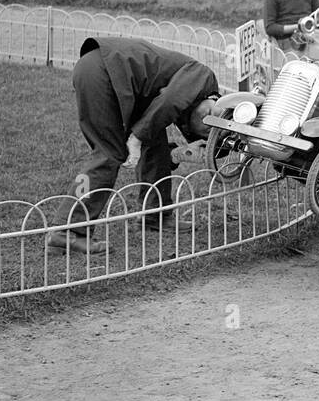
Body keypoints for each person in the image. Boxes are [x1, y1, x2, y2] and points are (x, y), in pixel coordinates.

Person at [50, 37, 220, 254]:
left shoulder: (193, 99)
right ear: (217, 98)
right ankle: (67, 231)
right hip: (103, 71)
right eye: (214, 112)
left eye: (209, 128)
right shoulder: (203, 77)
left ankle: (155, 216)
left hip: (109, 72)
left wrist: (174, 154)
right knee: (108, 154)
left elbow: (160, 114)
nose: (209, 118)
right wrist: (136, 137)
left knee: (155, 143)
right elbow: (169, 100)